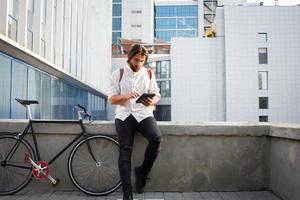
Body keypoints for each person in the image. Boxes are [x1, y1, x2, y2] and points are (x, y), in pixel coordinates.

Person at [108, 44, 162, 200]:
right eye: (136, 60)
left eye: (142, 61)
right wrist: (127, 95)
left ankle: (142, 174)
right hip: (124, 115)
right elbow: (112, 99)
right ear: (130, 57)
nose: (139, 63)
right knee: (125, 151)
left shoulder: (149, 74)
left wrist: (151, 102)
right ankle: (127, 194)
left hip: (144, 114)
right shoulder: (118, 74)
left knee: (156, 139)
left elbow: (157, 95)